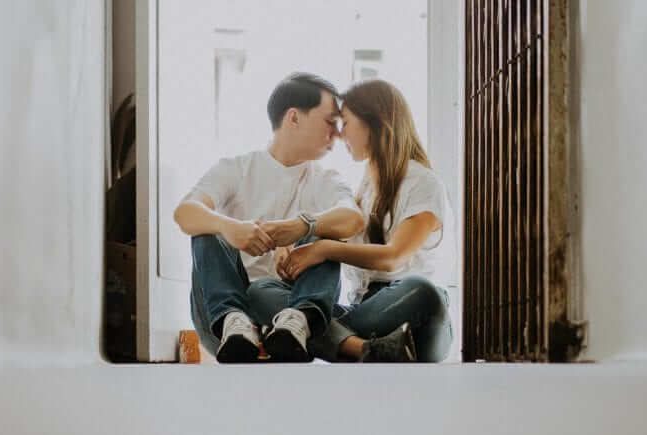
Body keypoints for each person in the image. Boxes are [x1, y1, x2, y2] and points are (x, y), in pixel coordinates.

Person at [173, 73, 365, 363]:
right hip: (222, 322)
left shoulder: (326, 180)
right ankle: (236, 323)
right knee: (206, 226)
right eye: (330, 122)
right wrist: (230, 227)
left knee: (326, 232)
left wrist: (300, 228)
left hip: (289, 317)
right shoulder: (236, 168)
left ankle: (298, 321)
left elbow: (353, 219)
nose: (337, 135)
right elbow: (184, 213)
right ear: (294, 118)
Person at [278, 79, 454, 362]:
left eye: (345, 123)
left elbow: (393, 258)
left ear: (375, 123)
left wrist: (323, 249)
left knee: (423, 292)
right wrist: (296, 246)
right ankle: (365, 349)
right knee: (266, 292)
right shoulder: (365, 190)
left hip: (410, 308)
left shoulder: (422, 183)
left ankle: (315, 333)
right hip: (365, 311)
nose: (339, 134)